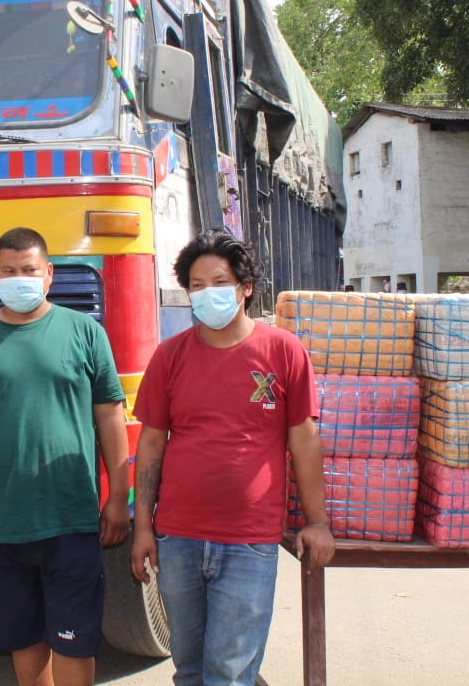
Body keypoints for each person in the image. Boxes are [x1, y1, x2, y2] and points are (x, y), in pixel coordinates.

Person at [130, 229, 334, 686]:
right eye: (197, 286)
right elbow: (151, 444)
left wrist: (317, 522)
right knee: (189, 671)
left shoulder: (283, 351)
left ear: (246, 288)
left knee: (230, 673)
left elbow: (304, 441)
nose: (208, 294)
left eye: (220, 283)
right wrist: (143, 527)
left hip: (249, 541)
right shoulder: (169, 356)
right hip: (178, 538)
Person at [0, 227, 129, 686]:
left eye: (29, 270)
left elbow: (110, 416)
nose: (18, 278)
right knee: (24, 640)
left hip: (70, 519)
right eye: (8, 271)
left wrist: (118, 498)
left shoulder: (84, 332)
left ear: (49, 274)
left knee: (74, 642)